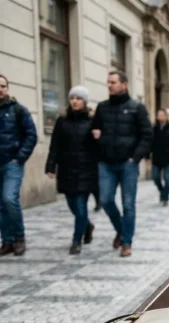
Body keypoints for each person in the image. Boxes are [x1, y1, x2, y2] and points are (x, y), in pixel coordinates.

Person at [91, 71, 152, 258]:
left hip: (128, 164)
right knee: (106, 200)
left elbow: (147, 135)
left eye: (113, 82)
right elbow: (94, 129)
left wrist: (135, 158)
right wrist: (96, 137)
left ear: (124, 85)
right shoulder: (102, 107)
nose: (109, 85)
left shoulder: (137, 108)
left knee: (128, 204)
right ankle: (120, 229)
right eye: (108, 82)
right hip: (106, 163)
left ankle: (126, 242)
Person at [45, 86, 98, 255]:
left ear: (85, 102)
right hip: (66, 169)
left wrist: (99, 138)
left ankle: (76, 240)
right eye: (72, 98)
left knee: (81, 207)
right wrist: (50, 166)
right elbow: (55, 146)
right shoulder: (62, 121)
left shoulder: (93, 122)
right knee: (72, 205)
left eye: (79, 98)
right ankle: (87, 226)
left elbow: (99, 148)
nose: (75, 101)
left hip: (86, 170)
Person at [0, 74, 38, 256]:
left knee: (9, 199)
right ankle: (7, 241)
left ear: (7, 88)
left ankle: (19, 237)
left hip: (12, 163)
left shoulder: (18, 110)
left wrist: (19, 157)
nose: (0, 89)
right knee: (1, 204)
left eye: (2, 86)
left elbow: (31, 135)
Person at [150, 108, 169, 206]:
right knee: (155, 178)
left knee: (167, 179)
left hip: (168, 158)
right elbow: (149, 142)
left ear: (166, 116)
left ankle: (165, 198)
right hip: (156, 158)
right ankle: (162, 191)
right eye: (158, 115)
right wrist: (148, 154)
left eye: (162, 115)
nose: (160, 117)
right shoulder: (153, 129)